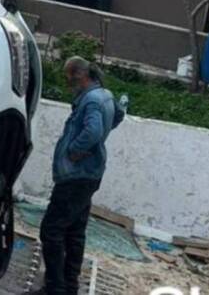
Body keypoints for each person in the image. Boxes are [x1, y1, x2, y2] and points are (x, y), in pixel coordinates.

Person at [37, 57, 125, 295]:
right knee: (75, 231)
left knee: (51, 230)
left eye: (69, 79)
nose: (68, 85)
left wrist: (75, 151)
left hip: (76, 175)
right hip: (91, 175)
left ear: (79, 76)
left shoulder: (91, 100)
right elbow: (118, 115)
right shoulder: (105, 95)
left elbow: (93, 130)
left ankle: (55, 288)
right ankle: (70, 286)